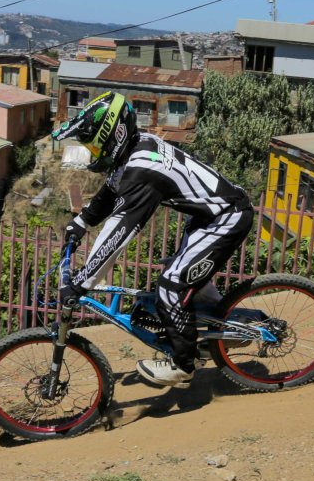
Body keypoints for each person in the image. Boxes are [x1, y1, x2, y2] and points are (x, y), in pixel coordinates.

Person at [53, 91, 253, 388]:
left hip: (226, 218)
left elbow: (119, 232)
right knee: (180, 276)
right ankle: (214, 332)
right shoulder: (138, 147)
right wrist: (82, 222)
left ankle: (184, 365)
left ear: (114, 135)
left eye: (93, 143)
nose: (91, 151)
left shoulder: (143, 171)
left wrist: (82, 282)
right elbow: (110, 192)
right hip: (209, 217)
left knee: (171, 286)